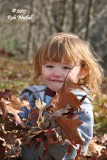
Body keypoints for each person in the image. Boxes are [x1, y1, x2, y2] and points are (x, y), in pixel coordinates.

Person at [18, 32, 103, 160]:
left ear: (83, 71)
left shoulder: (80, 101)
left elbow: (83, 136)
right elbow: (17, 122)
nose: (56, 73)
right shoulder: (32, 95)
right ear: (41, 67)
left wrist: (59, 139)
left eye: (65, 67)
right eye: (50, 66)